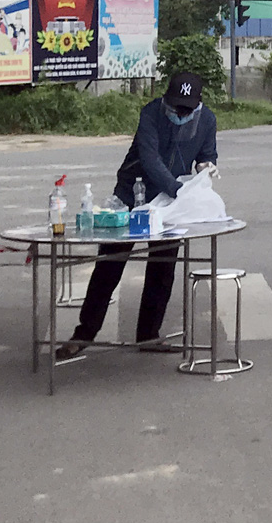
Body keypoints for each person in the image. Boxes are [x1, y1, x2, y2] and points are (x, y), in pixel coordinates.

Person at [56, 72, 220, 359]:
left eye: (187, 108)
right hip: (133, 194)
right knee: (110, 263)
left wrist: (207, 167)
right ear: (166, 99)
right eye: (176, 106)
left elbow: (207, 155)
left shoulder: (207, 120)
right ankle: (83, 334)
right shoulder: (151, 114)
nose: (180, 113)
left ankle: (148, 335)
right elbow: (150, 158)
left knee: (162, 267)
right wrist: (178, 188)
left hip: (170, 204)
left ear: (198, 104)